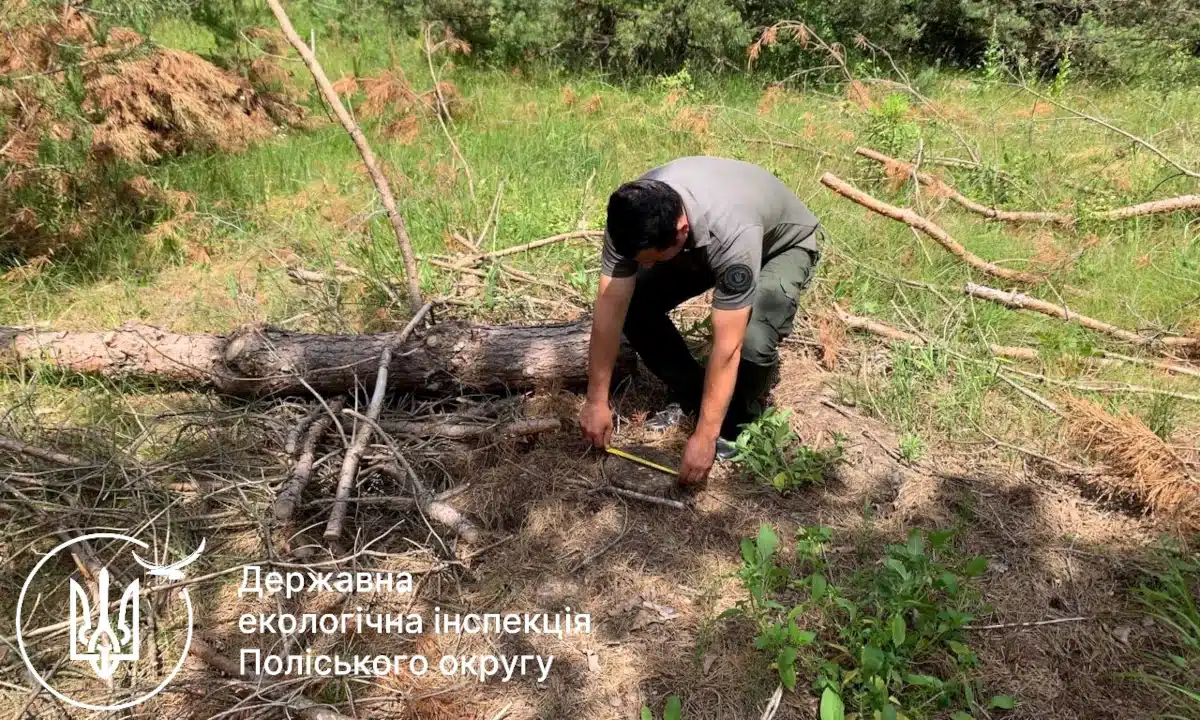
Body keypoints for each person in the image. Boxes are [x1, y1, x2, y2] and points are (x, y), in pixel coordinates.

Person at [578, 156, 822, 485]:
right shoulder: (630, 217)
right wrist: (596, 400)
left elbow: (728, 347)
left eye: (651, 260)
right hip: (700, 238)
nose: (646, 268)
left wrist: (705, 438)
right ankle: (690, 394)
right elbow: (610, 308)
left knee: (753, 341)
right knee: (635, 305)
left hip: (779, 246)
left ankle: (738, 419)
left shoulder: (732, 233)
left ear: (680, 232)